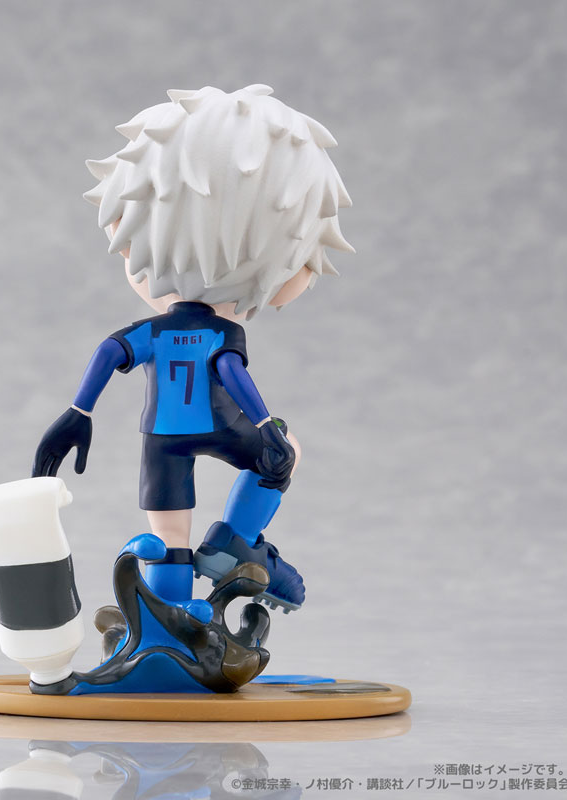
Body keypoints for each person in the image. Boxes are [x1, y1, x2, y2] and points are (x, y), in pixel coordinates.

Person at [33, 85, 353, 612]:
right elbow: (230, 372)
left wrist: (78, 412)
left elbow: (110, 353)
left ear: (125, 233)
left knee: (167, 534)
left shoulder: (151, 332)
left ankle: (169, 616)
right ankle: (236, 542)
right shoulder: (221, 334)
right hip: (224, 425)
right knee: (285, 452)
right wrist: (266, 425)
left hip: (161, 441)